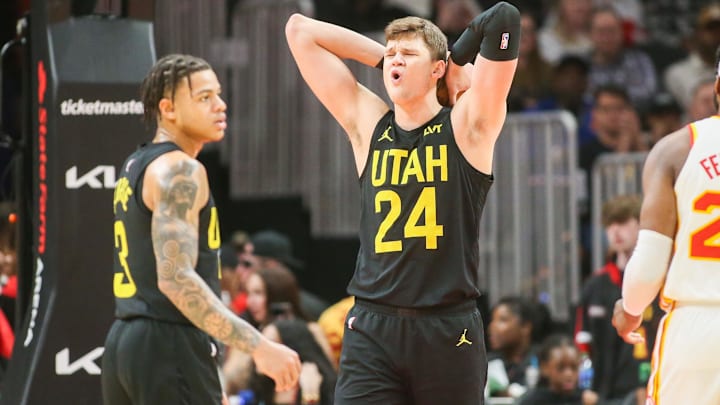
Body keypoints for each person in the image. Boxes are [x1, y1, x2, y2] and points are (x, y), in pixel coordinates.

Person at [286, 2, 520, 403]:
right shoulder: (368, 124)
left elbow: (504, 17)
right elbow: (299, 30)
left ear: (436, 70)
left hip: (447, 328)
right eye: (390, 53)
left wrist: (457, 59)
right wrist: (388, 60)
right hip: (373, 327)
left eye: (408, 54)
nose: (395, 59)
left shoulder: (466, 126)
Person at [101, 54, 301, 405]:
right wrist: (259, 346)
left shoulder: (136, 163)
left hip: (126, 342)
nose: (220, 105)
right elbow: (176, 280)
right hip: (168, 342)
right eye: (204, 98)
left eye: (218, 95)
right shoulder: (181, 170)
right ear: (169, 109)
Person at [613, 46, 720, 405]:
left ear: (717, 89)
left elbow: (650, 259)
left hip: (697, 328)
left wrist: (630, 310)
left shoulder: (677, 149)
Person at [575, 195, 658, 405]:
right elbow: (581, 344)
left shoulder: (658, 279)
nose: (615, 231)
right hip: (603, 393)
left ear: (641, 224)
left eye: (622, 222)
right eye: (609, 225)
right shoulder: (595, 285)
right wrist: (585, 391)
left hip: (649, 389)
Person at [517, 334, 598, 405]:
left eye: (574, 367)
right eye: (561, 368)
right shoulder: (531, 401)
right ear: (544, 367)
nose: (569, 374)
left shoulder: (587, 400)